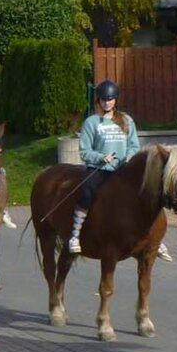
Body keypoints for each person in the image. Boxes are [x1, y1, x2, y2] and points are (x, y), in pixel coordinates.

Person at [67, 80, 140, 253]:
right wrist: (101, 157)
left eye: (111, 99)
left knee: (143, 193)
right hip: (99, 169)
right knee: (86, 191)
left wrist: (129, 157)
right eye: (104, 99)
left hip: (122, 169)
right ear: (98, 101)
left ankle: (152, 238)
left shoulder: (126, 120)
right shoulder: (91, 122)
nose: (107, 102)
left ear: (116, 100)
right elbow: (84, 151)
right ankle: (75, 235)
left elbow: (134, 145)